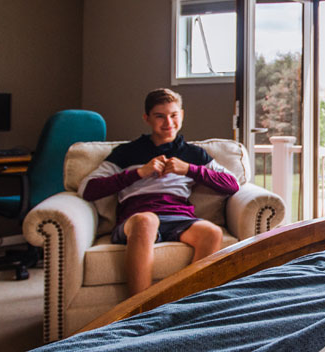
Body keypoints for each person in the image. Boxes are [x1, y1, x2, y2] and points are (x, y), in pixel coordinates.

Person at [79, 88, 239, 295]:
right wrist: (139, 173)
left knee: (212, 232)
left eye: (173, 115)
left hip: (178, 217)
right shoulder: (126, 152)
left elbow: (232, 184)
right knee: (147, 221)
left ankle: (184, 305)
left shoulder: (194, 154)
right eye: (159, 116)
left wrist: (189, 169)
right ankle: (141, 308)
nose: (168, 123)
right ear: (147, 118)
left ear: (182, 115)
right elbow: (87, 189)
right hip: (137, 218)